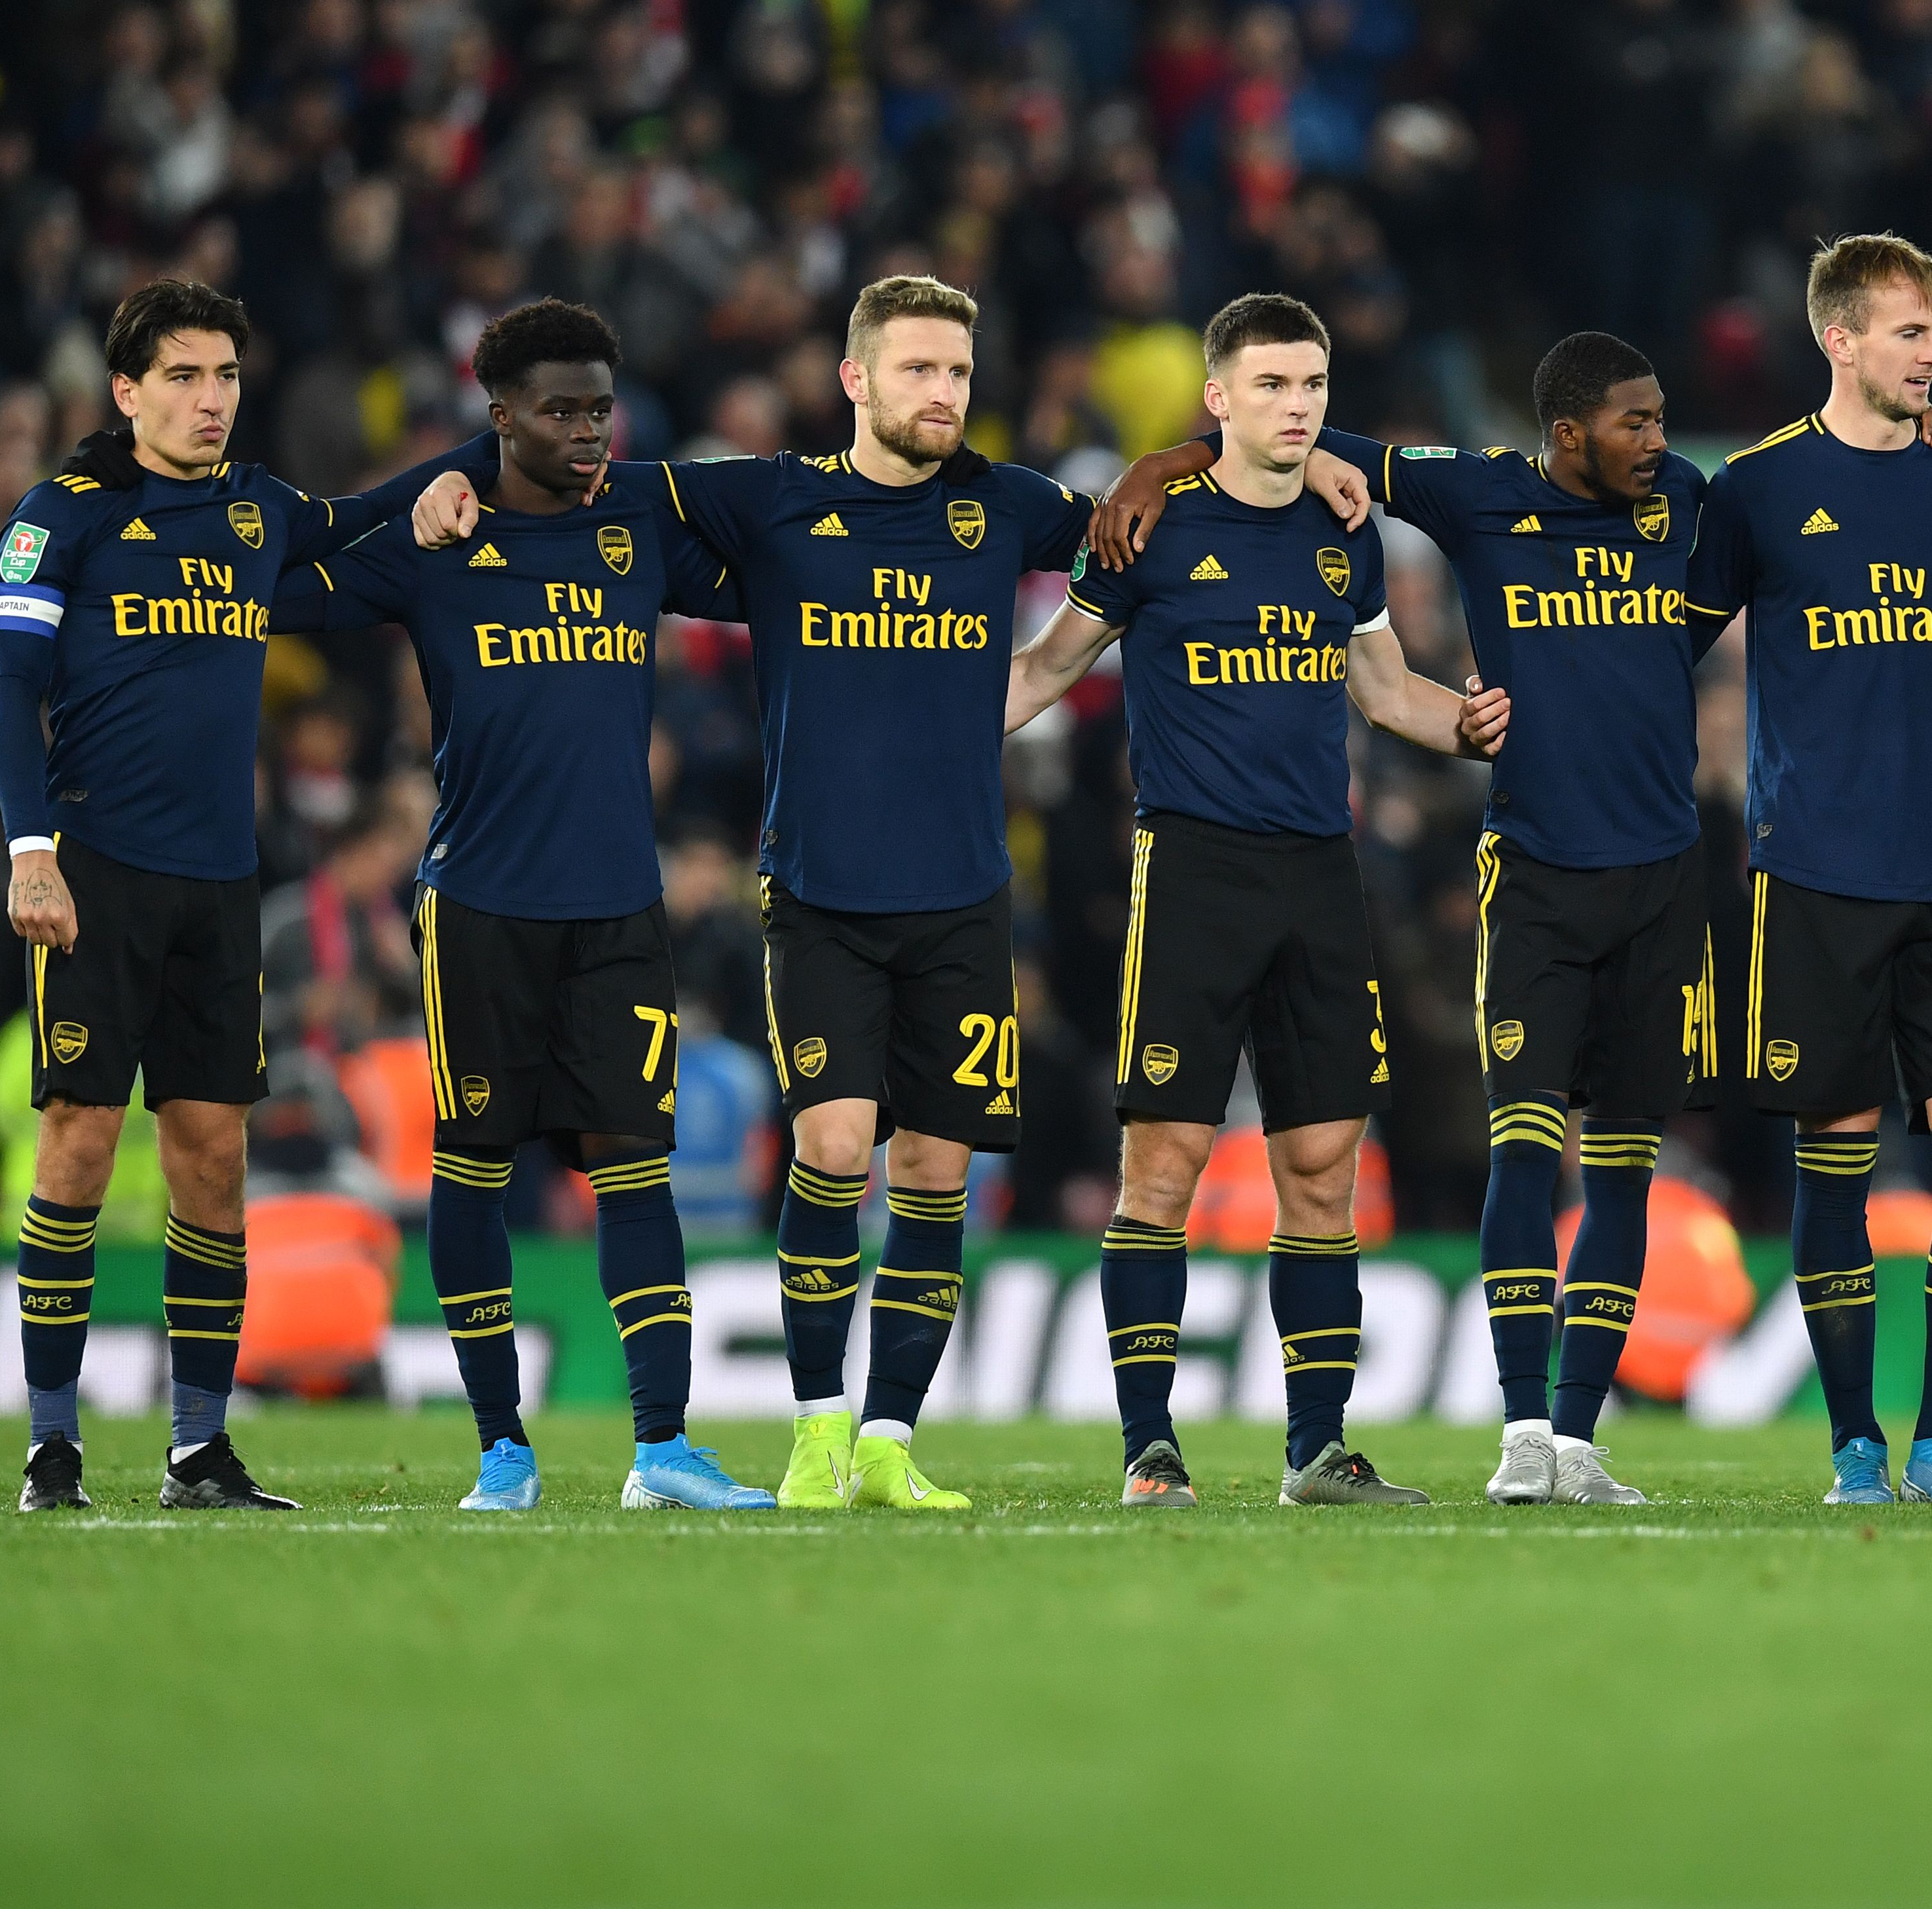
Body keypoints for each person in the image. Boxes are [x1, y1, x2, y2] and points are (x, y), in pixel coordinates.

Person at [417, 276, 1093, 1516]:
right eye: (917, 371)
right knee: (834, 1148)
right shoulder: (764, 497)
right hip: (821, 892)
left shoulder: (1008, 506)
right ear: (855, 380)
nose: (942, 392)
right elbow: (565, 458)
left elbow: (1136, 547)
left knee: (937, 1172)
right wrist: (453, 470)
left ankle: (890, 1439)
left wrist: (1045, 665)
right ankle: (815, 1430)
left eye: (957, 370)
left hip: (965, 897)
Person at [1098, 331, 1710, 1506]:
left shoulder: (1684, 502)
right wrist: (1156, 467)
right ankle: (1512, 1434)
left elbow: (1390, 688)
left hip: (1656, 878)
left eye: (1662, 416)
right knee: (1514, 1150)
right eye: (1634, 420)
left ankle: (1539, 1443)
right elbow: (1285, 443)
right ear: (1568, 432)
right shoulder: (1476, 491)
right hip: (1515, 871)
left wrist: (1916, 435)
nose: (1658, 439)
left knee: (1587, 1166)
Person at [1003, 291, 1502, 1510]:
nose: (1296, 408)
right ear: (1216, 399)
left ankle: (1317, 1450)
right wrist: (906, 726)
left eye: (1312, 387)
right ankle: (1147, 1450)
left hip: (1319, 877)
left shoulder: (1348, 538)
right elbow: (1049, 668)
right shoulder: (1150, 524)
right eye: (1270, 386)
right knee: (1163, 1165)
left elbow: (1389, 696)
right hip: (1189, 872)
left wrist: (1483, 722)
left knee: (1325, 1166)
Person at [274, 299, 770, 1516]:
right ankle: (502, 1446)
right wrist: (427, 491)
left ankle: (663, 1449)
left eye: (601, 407)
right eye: (558, 410)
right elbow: (281, 580)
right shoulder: (434, 544)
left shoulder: (640, 525)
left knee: (633, 1166)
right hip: (480, 909)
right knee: (474, 1165)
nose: (588, 429)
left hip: (616, 911)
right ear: (496, 416)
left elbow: (781, 546)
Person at [0, 276, 468, 1514]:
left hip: (219, 887)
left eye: (227, 378)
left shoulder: (259, 514)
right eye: (186, 377)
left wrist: (473, 464)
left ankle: (199, 1449)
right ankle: (52, 1444)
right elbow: (8, 693)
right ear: (128, 390)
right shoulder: (62, 517)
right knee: (79, 1142)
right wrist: (28, 849)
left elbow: (358, 518)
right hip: (93, 876)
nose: (211, 401)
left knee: (213, 1157)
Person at [1686, 232, 1932, 1508]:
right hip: (1813, 879)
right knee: (1835, 1166)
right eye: (1910, 332)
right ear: (1839, 338)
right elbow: (1666, 644)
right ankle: (1857, 1440)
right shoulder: (1751, 489)